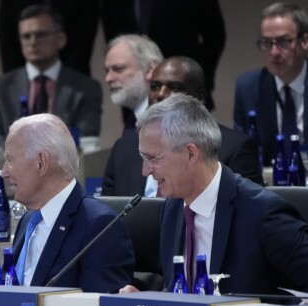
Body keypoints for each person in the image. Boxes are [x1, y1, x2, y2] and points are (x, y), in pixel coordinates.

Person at [120, 94, 308, 296]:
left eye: (151, 158)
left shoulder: (262, 213)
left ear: (191, 153)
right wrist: (146, 299)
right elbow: (181, 293)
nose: (145, 171)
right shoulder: (173, 208)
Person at [3, 113, 135, 293]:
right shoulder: (28, 221)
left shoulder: (100, 226)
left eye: (10, 160)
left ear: (41, 162)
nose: (4, 172)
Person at [102, 56, 263, 196]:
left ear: (199, 97)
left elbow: (248, 214)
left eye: (174, 87)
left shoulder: (235, 148)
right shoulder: (123, 149)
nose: (160, 94)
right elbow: (108, 218)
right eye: (155, 87)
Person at [0, 4, 102, 148]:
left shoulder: (86, 88)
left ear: (61, 39)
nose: (33, 42)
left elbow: (85, 141)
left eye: (41, 34)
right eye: (26, 36)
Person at [101, 0, 226, 111]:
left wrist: (198, 79)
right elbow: (113, 41)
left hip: (186, 93)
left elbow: (214, 35)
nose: (108, 78)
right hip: (136, 96)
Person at [234, 2, 308, 167]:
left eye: (283, 41)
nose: (274, 52)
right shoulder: (248, 87)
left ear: (304, 41)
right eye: (267, 43)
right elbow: (243, 155)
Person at [0, 0, 100, 76]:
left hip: (73, 77)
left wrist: (66, 81)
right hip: (22, 77)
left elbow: (83, 39)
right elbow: (8, 42)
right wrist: (18, 82)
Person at [104, 34, 163, 137]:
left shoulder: (168, 119)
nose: (108, 78)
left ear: (150, 69)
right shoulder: (132, 121)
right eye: (107, 71)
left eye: (118, 68)